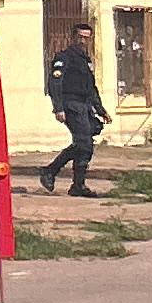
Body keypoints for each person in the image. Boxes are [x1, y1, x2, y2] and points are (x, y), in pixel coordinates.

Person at [42, 25, 109, 197]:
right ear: (72, 37)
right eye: (80, 37)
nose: (82, 41)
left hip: (85, 106)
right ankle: (51, 171)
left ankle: (77, 185)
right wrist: (58, 108)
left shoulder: (85, 60)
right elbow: (55, 83)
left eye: (86, 38)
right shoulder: (64, 57)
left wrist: (100, 110)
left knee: (85, 146)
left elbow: (91, 88)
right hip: (71, 104)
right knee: (83, 143)